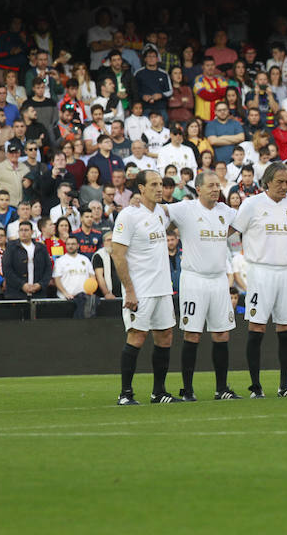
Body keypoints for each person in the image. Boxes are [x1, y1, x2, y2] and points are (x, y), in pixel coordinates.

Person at [227, 163, 287, 399]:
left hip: (286, 271)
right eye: (280, 182)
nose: (285, 186)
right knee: (257, 325)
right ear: (267, 182)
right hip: (260, 271)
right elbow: (231, 230)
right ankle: (255, 387)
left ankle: (284, 386)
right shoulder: (252, 204)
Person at [166, 170, 240, 401]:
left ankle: (222, 389)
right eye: (210, 185)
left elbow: (241, 224)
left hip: (219, 279)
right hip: (194, 279)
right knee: (192, 334)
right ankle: (187, 390)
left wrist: (222, 235)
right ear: (198, 189)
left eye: (217, 185)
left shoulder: (226, 212)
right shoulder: (185, 208)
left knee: (222, 334)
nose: (216, 189)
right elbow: (162, 213)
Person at [111, 170, 179, 405]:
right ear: (141, 188)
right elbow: (118, 255)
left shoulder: (161, 212)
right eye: (154, 184)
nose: (160, 188)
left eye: (161, 184)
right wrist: (129, 290)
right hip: (140, 289)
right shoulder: (128, 215)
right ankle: (125, 393)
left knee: (165, 337)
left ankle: (159, 392)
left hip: (162, 288)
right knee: (137, 336)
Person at [3, 220, 51, 300]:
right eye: (21, 230)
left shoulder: (41, 247)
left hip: (38, 293)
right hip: (16, 293)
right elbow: (7, 269)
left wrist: (40, 284)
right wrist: (22, 285)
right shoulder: (11, 247)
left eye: (26, 230)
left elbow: (48, 268)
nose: (23, 232)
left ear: (32, 232)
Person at [53, 235, 98, 318]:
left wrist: (91, 290)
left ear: (78, 245)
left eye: (73, 244)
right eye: (68, 244)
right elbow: (57, 279)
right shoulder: (60, 261)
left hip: (84, 300)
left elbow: (92, 276)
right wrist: (65, 293)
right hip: (66, 300)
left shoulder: (85, 259)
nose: (70, 246)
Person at [93, 230, 121, 298]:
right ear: (103, 243)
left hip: (122, 293)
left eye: (113, 240)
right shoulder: (99, 255)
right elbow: (99, 276)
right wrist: (106, 293)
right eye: (108, 240)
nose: (111, 242)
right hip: (107, 296)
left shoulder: (121, 254)